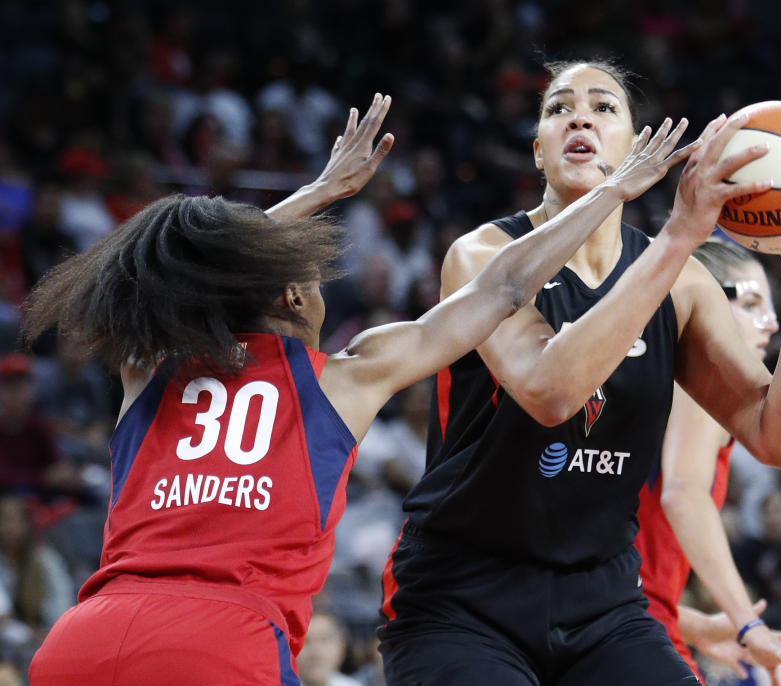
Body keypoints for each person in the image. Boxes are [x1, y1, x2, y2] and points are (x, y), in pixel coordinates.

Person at [23, 91, 702, 685]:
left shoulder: (154, 367)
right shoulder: (346, 378)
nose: (325, 291)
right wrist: (614, 193)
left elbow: (187, 269)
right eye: (314, 280)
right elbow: (502, 286)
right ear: (290, 295)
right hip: (221, 641)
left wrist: (316, 195)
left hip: (86, 633)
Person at [378, 60, 781, 686]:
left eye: (604, 108)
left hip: (601, 601)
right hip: (463, 595)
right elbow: (551, 392)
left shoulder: (684, 284)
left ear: (635, 146)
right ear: (538, 152)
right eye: (558, 108)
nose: (580, 117)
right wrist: (680, 235)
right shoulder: (484, 256)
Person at [634, 237, 781, 682]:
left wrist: (698, 625)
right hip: (633, 634)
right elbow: (683, 494)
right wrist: (747, 620)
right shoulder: (699, 389)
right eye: (752, 302)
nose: (771, 323)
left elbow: (616, 576)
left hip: (621, 618)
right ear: (702, 302)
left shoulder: (657, 381)